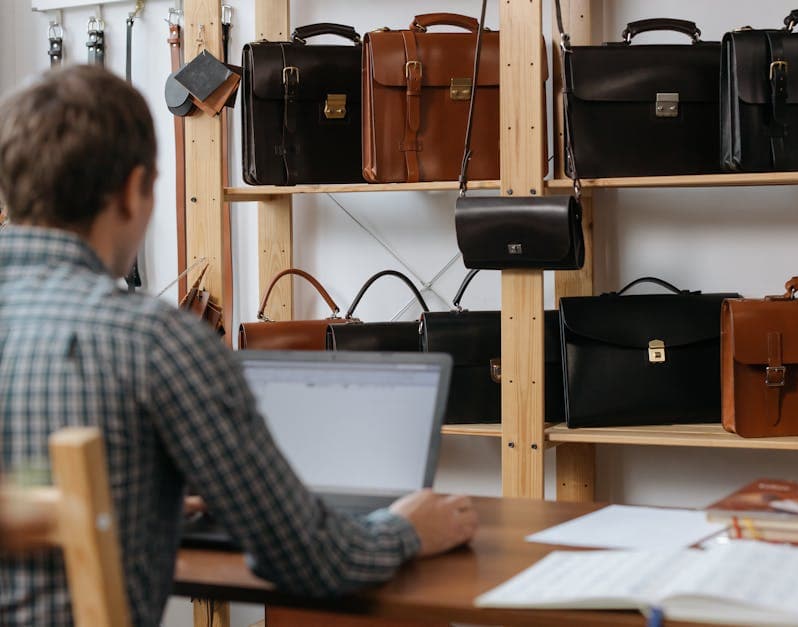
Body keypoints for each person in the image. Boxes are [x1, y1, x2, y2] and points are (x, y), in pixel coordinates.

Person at [0, 65, 478, 626]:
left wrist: (140, 506)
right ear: (133, 191)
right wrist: (407, 529)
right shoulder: (151, 342)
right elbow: (308, 559)